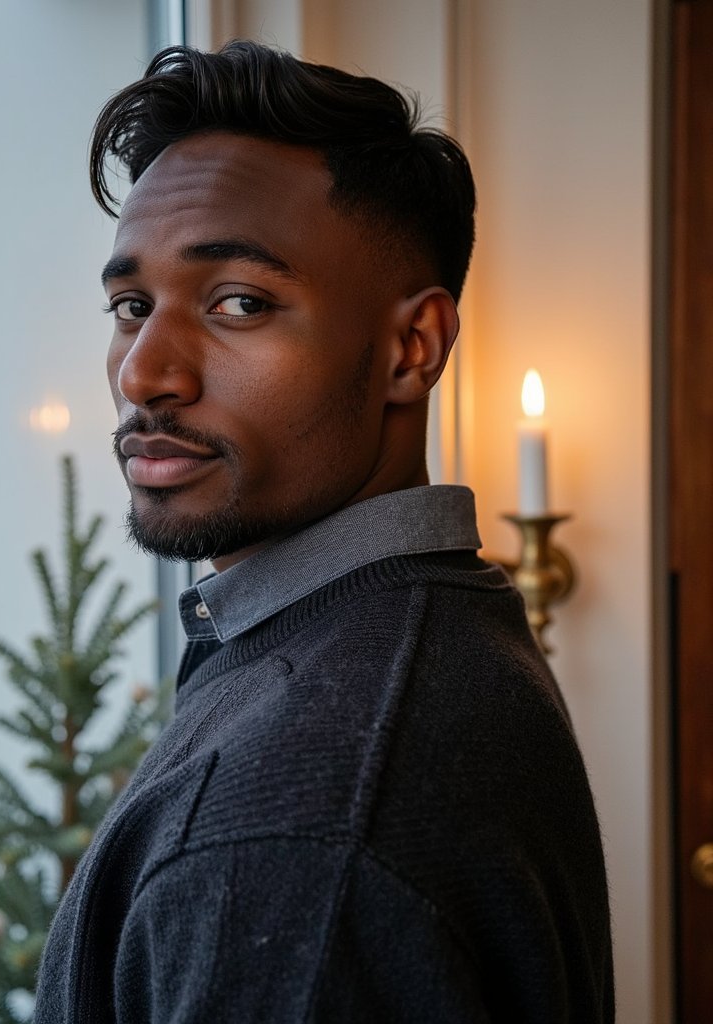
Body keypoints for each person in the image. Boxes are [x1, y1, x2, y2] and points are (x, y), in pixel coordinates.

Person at [35, 40, 613, 1023]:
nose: (142, 370)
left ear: (409, 347)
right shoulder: (439, 615)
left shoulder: (299, 836)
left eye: (238, 303)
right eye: (130, 306)